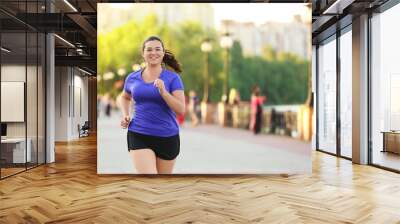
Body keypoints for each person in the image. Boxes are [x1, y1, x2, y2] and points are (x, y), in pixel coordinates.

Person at [119, 36, 185, 174]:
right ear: (143, 53)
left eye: (157, 49)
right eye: (149, 49)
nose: (153, 53)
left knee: (161, 187)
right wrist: (126, 115)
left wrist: (164, 92)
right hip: (139, 134)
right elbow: (124, 97)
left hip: (167, 137)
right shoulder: (132, 78)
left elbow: (181, 109)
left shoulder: (173, 78)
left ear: (163, 52)